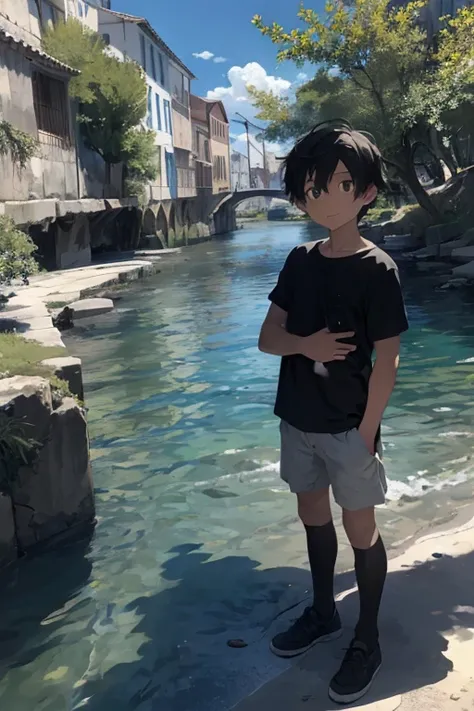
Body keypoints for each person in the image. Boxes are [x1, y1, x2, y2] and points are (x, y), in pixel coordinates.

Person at [258, 120, 409, 705]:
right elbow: (268, 337)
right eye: (313, 187)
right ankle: (323, 612)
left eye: (340, 185)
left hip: (350, 426)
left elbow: (388, 362)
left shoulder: (379, 270)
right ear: (301, 193)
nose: (325, 197)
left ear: (366, 193)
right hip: (297, 420)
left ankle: (366, 638)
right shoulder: (299, 260)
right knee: (312, 518)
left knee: (360, 527)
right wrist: (306, 345)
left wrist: (367, 430)